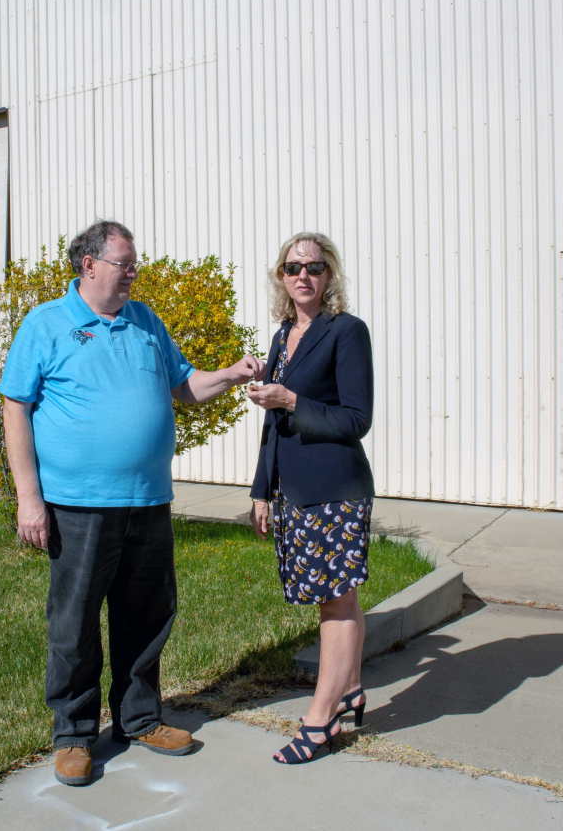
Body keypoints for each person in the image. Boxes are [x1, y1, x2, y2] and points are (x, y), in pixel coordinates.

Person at [0, 220, 265, 787]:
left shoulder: (146, 322)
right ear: (89, 265)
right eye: (125, 263)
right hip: (78, 505)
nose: (133, 273)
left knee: (146, 614)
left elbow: (183, 385)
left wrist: (232, 374)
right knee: (73, 621)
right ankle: (74, 734)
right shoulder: (46, 325)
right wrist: (29, 497)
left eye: (134, 263)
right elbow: (15, 406)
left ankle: (139, 717)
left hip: (147, 500)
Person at [245, 231, 375, 765]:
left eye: (315, 267)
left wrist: (291, 397)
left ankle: (320, 721)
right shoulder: (282, 336)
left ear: (329, 276)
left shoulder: (346, 331)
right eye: (294, 267)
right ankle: (350, 689)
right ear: (281, 275)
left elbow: (356, 420)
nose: (304, 275)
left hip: (335, 489)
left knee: (334, 601)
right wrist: (261, 490)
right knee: (339, 597)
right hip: (294, 491)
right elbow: (274, 425)